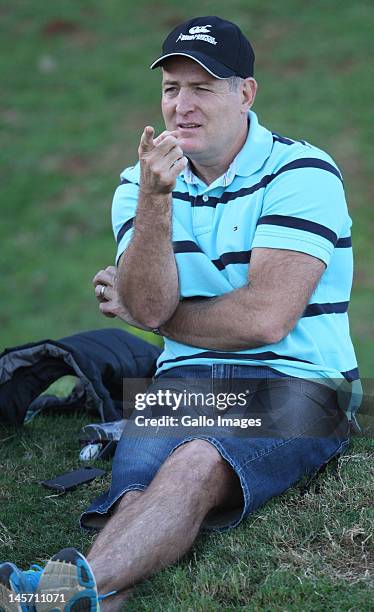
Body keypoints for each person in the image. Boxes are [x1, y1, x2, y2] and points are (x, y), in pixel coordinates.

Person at [0, 15, 360, 612]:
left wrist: (153, 320)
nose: (182, 106)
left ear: (245, 93)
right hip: (185, 381)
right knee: (134, 500)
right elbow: (149, 301)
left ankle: (50, 595)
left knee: (195, 460)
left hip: (304, 386)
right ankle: (86, 595)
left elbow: (266, 319)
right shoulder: (139, 185)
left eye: (203, 88)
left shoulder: (303, 174)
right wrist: (155, 201)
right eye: (171, 89)